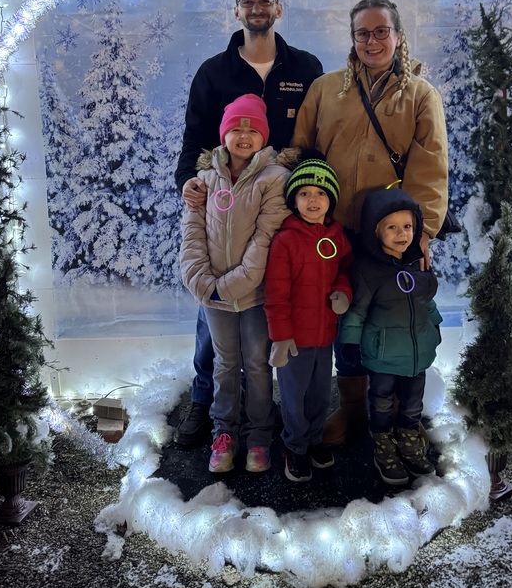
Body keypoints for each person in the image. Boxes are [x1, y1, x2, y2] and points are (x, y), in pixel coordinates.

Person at [174, 0, 323, 448]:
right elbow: (194, 141)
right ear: (236, 11)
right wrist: (188, 184)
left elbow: (317, 140)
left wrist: (313, 198)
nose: (257, 6)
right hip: (225, 211)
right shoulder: (213, 72)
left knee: (271, 309)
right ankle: (206, 399)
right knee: (213, 310)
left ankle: (279, 409)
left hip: (285, 213)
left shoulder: (305, 68)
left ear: (280, 9)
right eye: (248, 0)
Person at [291, 0, 448, 445]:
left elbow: (431, 168)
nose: (373, 40)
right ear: (353, 38)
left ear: (399, 36)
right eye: (363, 33)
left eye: (382, 31)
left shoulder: (420, 96)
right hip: (335, 232)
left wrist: (421, 233)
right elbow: (302, 154)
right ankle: (354, 406)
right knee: (347, 320)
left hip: (391, 238)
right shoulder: (325, 89)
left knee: (392, 319)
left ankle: (398, 408)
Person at [179, 94, 293, 473]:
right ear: (224, 134)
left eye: (252, 129)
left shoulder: (274, 179)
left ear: (263, 136)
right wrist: (203, 284)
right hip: (213, 297)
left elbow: (265, 239)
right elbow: (192, 235)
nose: (244, 135)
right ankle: (224, 434)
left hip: (255, 296)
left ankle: (259, 436)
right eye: (236, 128)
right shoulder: (204, 181)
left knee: (258, 365)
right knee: (225, 364)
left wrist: (227, 286)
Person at [339, 187, 442, 486]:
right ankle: (383, 445)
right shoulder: (368, 271)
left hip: (417, 355)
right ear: (376, 232)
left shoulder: (417, 265)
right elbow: (356, 312)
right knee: (381, 401)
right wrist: (349, 342)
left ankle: (409, 442)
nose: (402, 234)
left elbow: (427, 302)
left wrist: (435, 325)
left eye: (407, 226)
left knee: (412, 404)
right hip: (383, 357)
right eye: (392, 227)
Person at [264, 155, 353, 483]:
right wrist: (281, 336)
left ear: (330, 200)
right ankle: (295, 446)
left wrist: (343, 292)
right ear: (294, 200)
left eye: (320, 193)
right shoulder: (286, 241)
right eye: (305, 193)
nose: (313, 200)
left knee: (318, 393)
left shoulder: (336, 237)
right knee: (294, 396)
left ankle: (315, 440)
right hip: (294, 340)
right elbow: (275, 293)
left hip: (324, 335)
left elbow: (345, 269)